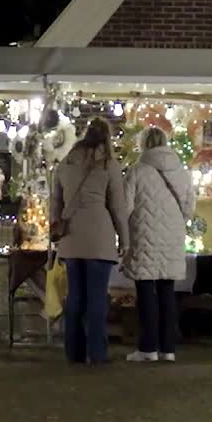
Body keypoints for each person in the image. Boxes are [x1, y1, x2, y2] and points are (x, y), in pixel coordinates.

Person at [51, 117, 129, 366]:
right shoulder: (108, 165)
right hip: (100, 238)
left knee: (75, 297)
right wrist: (124, 240)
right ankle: (97, 353)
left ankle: (73, 352)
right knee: (97, 299)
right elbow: (118, 208)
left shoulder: (65, 163)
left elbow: (55, 202)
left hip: (71, 238)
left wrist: (56, 227)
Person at [123, 126, 196, 363]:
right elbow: (189, 208)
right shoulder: (182, 172)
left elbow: (125, 208)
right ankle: (168, 348)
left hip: (144, 237)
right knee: (167, 292)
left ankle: (148, 347)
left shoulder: (136, 171)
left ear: (143, 144)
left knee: (146, 293)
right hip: (173, 239)